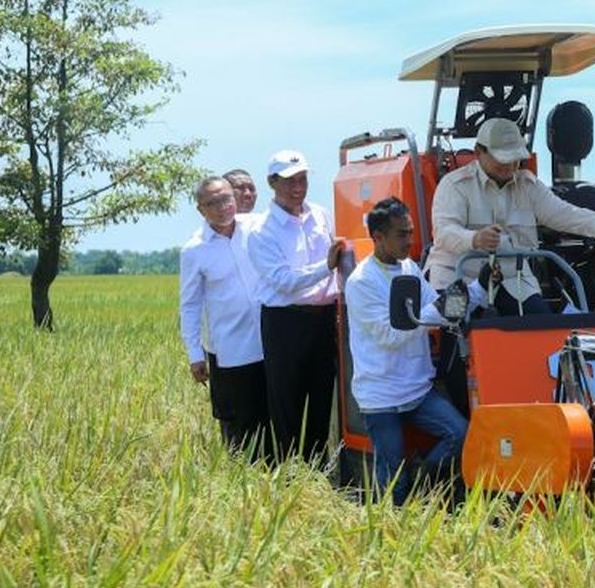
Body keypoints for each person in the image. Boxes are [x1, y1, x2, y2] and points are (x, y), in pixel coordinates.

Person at [344, 197, 482, 505]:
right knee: (392, 480)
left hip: (417, 390)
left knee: (462, 435)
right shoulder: (361, 283)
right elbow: (393, 334)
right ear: (377, 237)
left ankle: (425, 478)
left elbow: (438, 309)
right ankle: (389, 530)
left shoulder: (408, 267)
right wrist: (439, 309)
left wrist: (478, 289)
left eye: (410, 231)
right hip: (381, 397)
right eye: (401, 234)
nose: (410, 240)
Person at [425, 117, 595, 315]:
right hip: (458, 280)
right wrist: (475, 239)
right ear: (479, 152)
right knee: (454, 335)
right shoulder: (454, 186)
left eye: (514, 159)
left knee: (541, 329)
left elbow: (562, 212)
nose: (509, 166)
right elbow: (444, 233)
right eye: (501, 159)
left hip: (514, 282)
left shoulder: (528, 185)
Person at [247, 149, 344, 463]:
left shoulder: (320, 215)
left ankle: (316, 470)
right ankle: (285, 475)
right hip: (285, 321)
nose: (297, 187)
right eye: (289, 181)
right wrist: (325, 268)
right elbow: (282, 281)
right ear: (272, 182)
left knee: (321, 397)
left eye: (302, 179)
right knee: (286, 401)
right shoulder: (263, 230)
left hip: (324, 316)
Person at [178, 176, 270, 459]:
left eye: (226, 199)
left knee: (274, 417)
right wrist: (195, 353)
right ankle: (243, 481)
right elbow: (190, 304)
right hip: (232, 349)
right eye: (212, 203)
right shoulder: (194, 250)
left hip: (270, 342)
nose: (222, 207)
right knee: (239, 425)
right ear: (200, 209)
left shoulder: (256, 229)